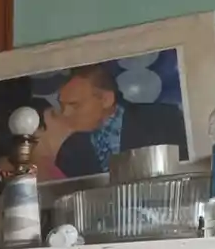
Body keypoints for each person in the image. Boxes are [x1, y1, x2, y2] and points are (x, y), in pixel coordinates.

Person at [39, 63, 188, 178]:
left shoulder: (163, 119)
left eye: (74, 105)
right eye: (62, 105)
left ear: (106, 99)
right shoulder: (68, 149)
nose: (65, 113)